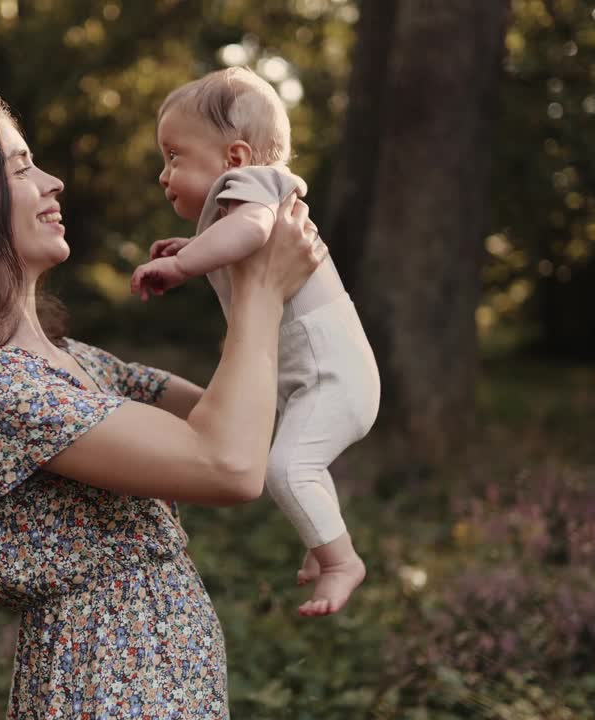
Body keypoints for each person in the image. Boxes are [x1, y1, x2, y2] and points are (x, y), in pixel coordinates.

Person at [0, 94, 327, 717]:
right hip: (106, 690)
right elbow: (227, 464)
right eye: (20, 169)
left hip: (167, 684)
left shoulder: (82, 364)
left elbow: (250, 423)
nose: (53, 181)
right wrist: (260, 289)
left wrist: (255, 267)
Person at [131, 67, 381, 617]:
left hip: (333, 377)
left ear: (236, 159)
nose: (162, 173)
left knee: (287, 470)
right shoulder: (239, 203)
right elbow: (234, 238)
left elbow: (248, 232)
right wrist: (193, 245)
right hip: (313, 379)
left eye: (174, 156)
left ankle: (342, 562)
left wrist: (181, 264)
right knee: (295, 465)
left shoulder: (262, 187)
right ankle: (323, 544)